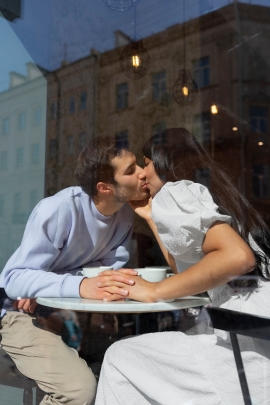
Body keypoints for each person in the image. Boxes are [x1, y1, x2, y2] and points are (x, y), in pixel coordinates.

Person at [95, 128, 270, 405]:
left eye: (147, 162)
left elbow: (238, 257)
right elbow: (188, 269)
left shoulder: (176, 191)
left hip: (245, 349)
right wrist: (152, 217)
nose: (142, 172)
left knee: (120, 357)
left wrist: (155, 290)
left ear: (164, 162)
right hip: (257, 343)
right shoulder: (208, 191)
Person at [0, 135, 148, 405]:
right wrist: (78, 286)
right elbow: (15, 279)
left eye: (138, 164)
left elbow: (106, 274)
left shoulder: (124, 213)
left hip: (70, 313)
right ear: (104, 187)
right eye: (131, 170)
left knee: (132, 374)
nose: (143, 173)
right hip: (16, 313)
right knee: (79, 390)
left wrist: (45, 285)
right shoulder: (58, 210)